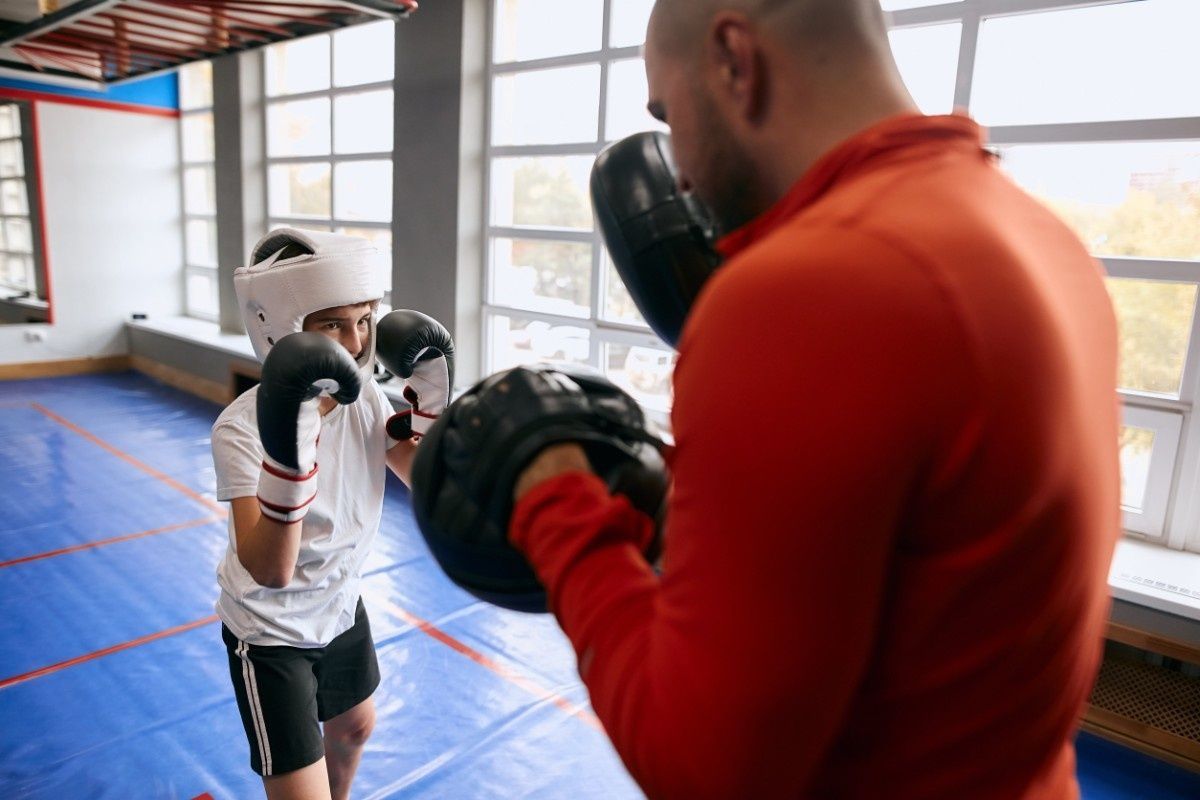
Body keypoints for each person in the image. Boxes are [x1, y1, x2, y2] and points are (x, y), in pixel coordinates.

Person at [505, 1, 1121, 797]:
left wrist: (556, 502)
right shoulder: (1041, 235)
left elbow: (701, 771)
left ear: (734, 58)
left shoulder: (806, 290)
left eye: (669, 114)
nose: (679, 169)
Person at [211, 228, 452, 800]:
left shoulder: (363, 396)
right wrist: (291, 466)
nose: (355, 341)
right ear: (284, 330)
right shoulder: (241, 431)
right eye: (332, 324)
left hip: (340, 600)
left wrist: (433, 413)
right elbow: (269, 569)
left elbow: (423, 481)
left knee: (354, 726)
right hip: (271, 632)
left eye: (364, 320)